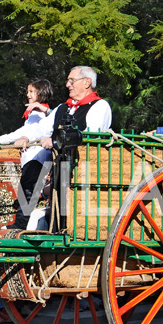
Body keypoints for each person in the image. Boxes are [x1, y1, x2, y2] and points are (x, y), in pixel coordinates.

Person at [12, 66, 112, 231]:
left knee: (68, 214)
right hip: (61, 169)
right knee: (32, 167)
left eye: (72, 80)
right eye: (68, 81)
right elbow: (41, 127)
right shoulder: (63, 108)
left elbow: (91, 136)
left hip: (84, 172)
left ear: (87, 82)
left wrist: (55, 141)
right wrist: (25, 137)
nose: (67, 85)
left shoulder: (100, 106)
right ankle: (23, 224)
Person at [0, 78, 54, 229]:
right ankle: (22, 223)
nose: (28, 94)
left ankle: (21, 224)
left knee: (27, 190)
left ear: (41, 93)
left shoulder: (37, 113)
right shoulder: (38, 112)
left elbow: (26, 132)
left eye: (32, 91)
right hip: (35, 158)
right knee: (28, 190)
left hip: (36, 158)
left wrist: (2, 139)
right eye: (28, 91)